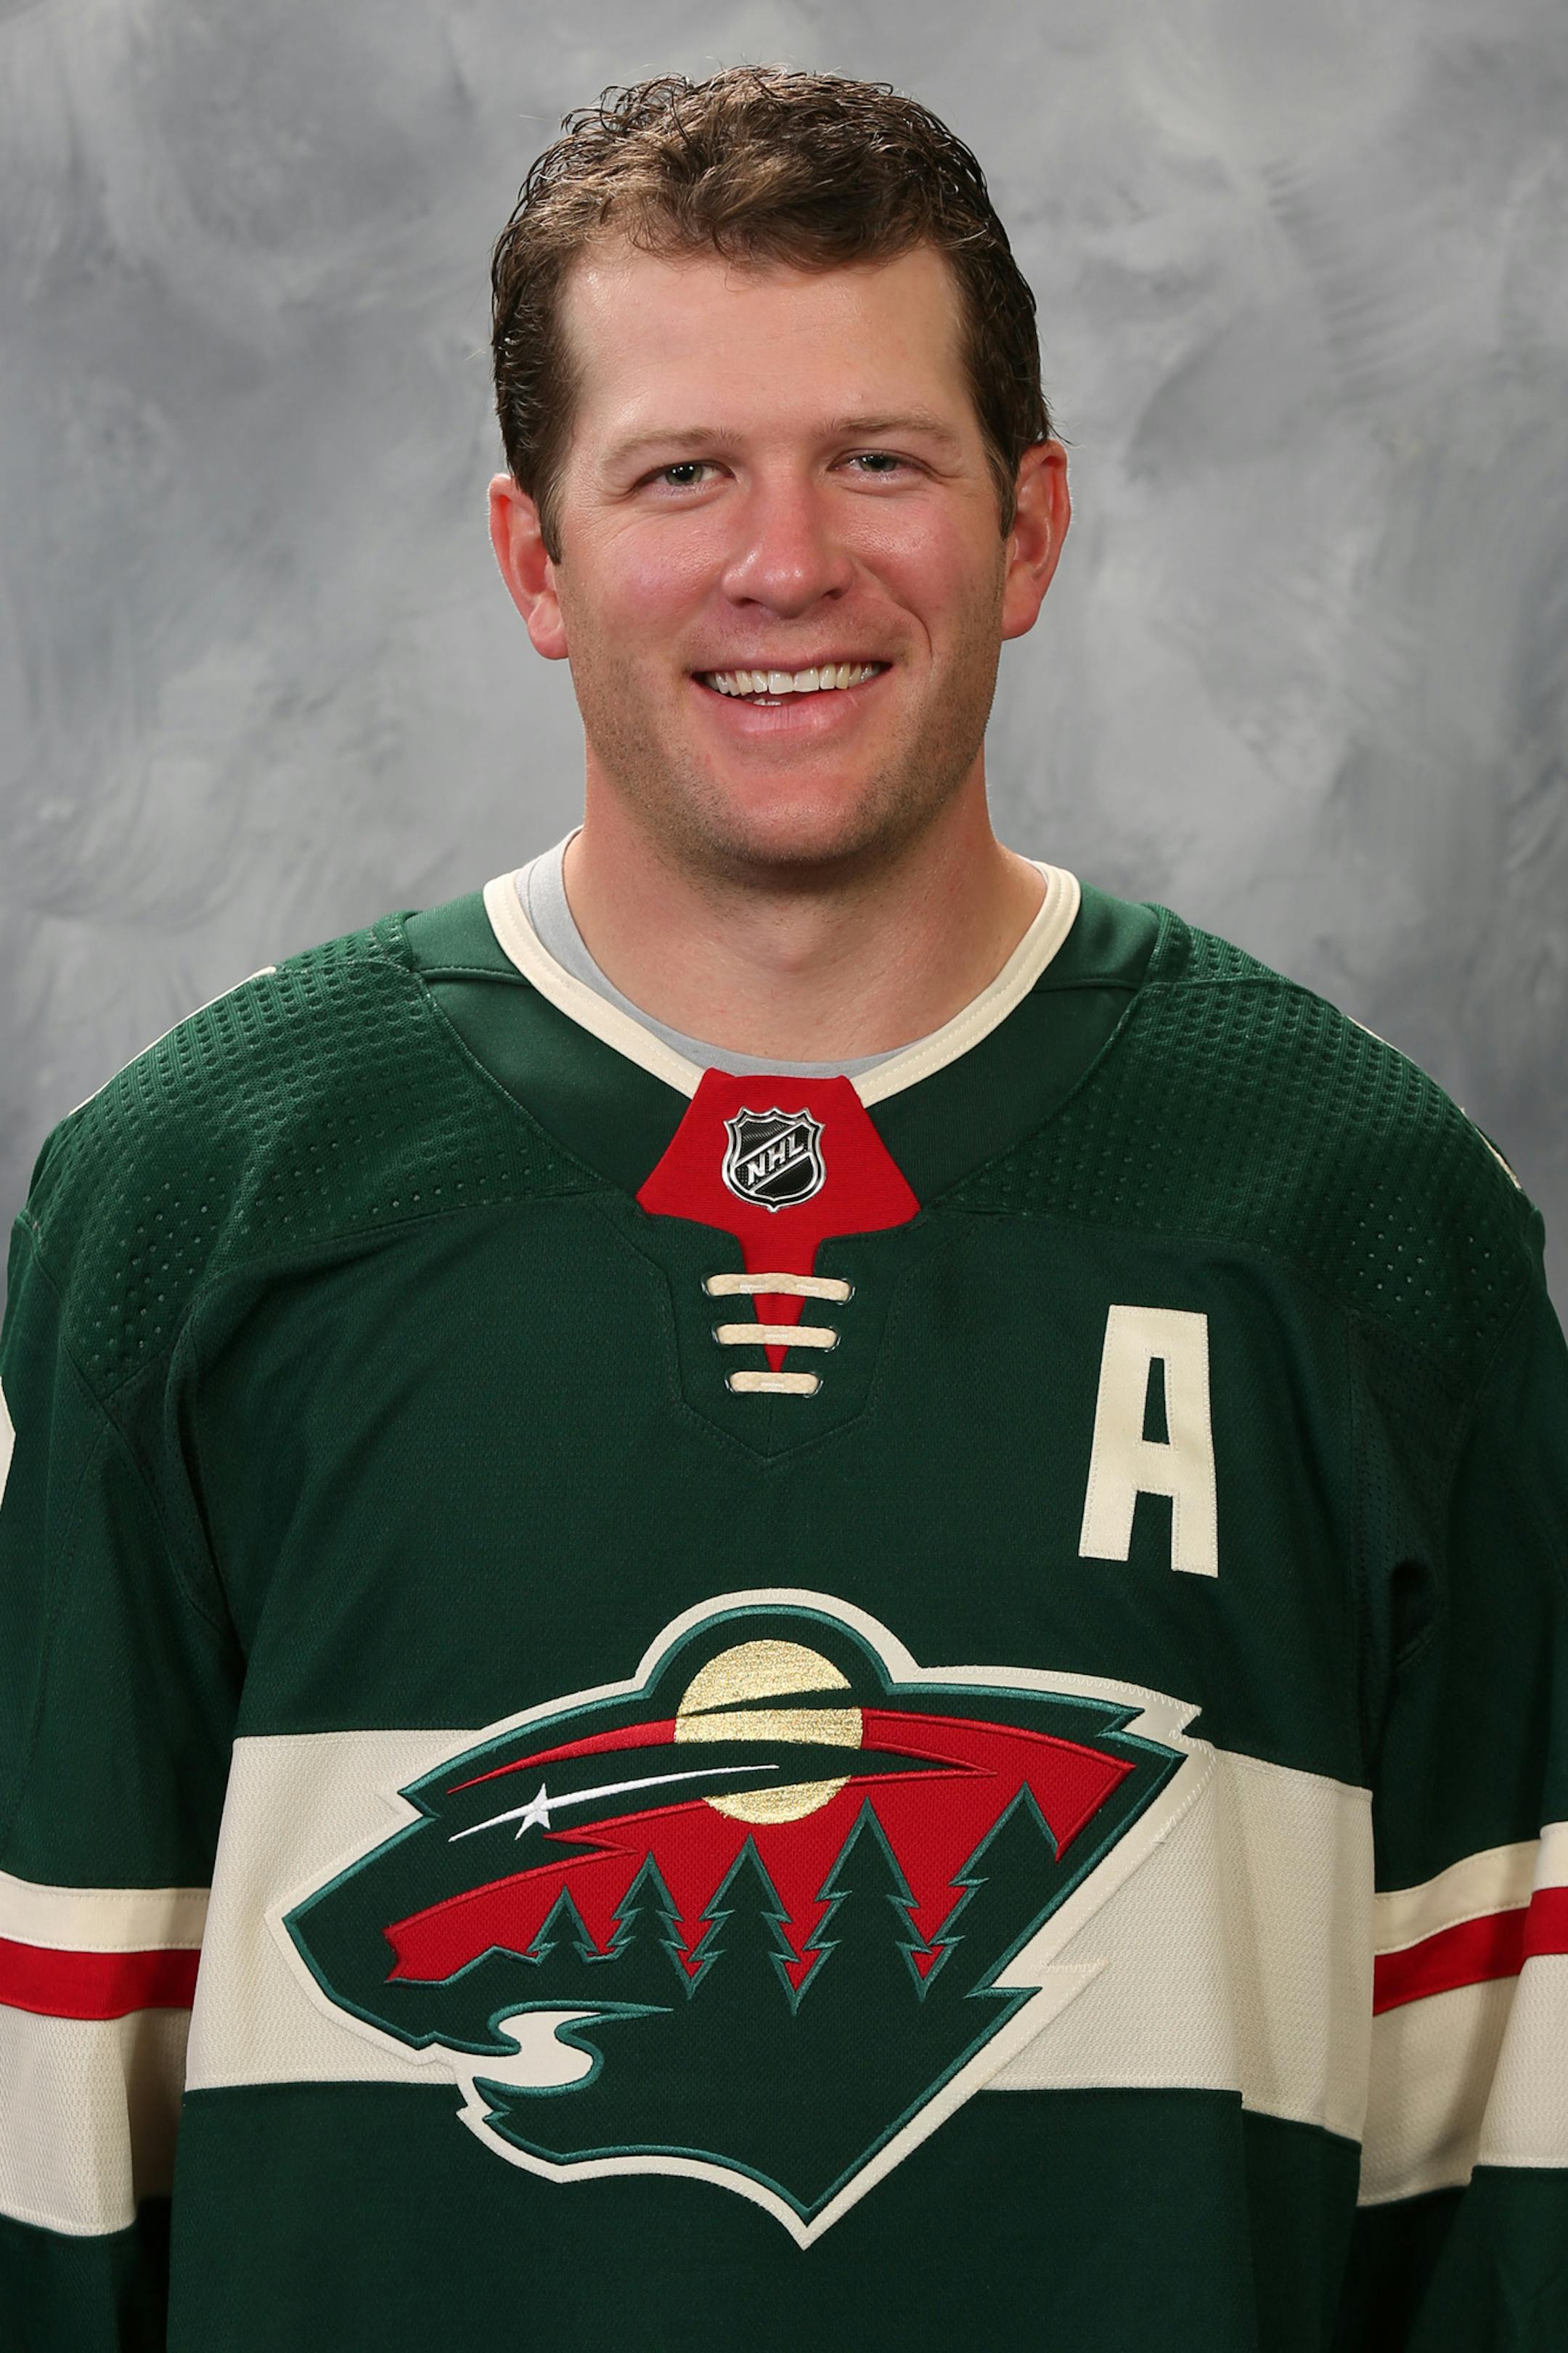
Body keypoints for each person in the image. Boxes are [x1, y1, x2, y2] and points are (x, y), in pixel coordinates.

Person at [1, 64, 1563, 2352]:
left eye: (879, 460)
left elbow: (1503, 2160)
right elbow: (49, 2139)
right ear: (537, 561)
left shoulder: (1350, 1216)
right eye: (683, 473)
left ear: (1028, 527)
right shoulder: (199, 1209)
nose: (785, 560)